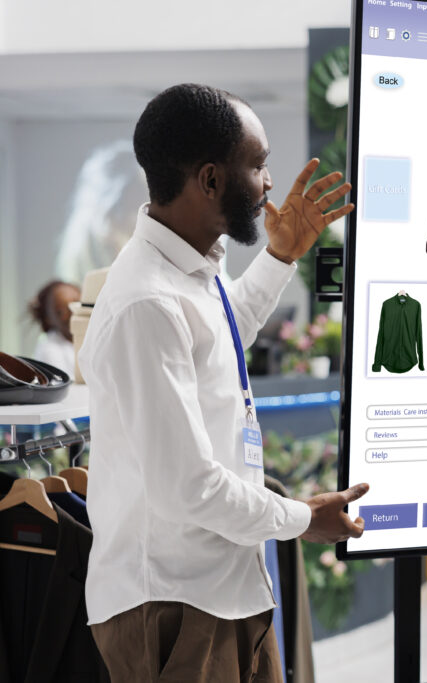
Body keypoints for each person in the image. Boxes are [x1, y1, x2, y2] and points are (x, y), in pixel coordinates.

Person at [78, 83, 369, 683]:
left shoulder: (191, 268)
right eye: (257, 165)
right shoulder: (146, 302)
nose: (269, 183)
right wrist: (301, 518)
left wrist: (281, 256)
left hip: (223, 590)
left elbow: (220, 338)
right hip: (171, 605)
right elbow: (188, 489)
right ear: (210, 180)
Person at [28, 279, 81, 375]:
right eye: (61, 311)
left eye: (77, 304)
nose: (72, 312)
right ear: (48, 318)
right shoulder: (48, 350)